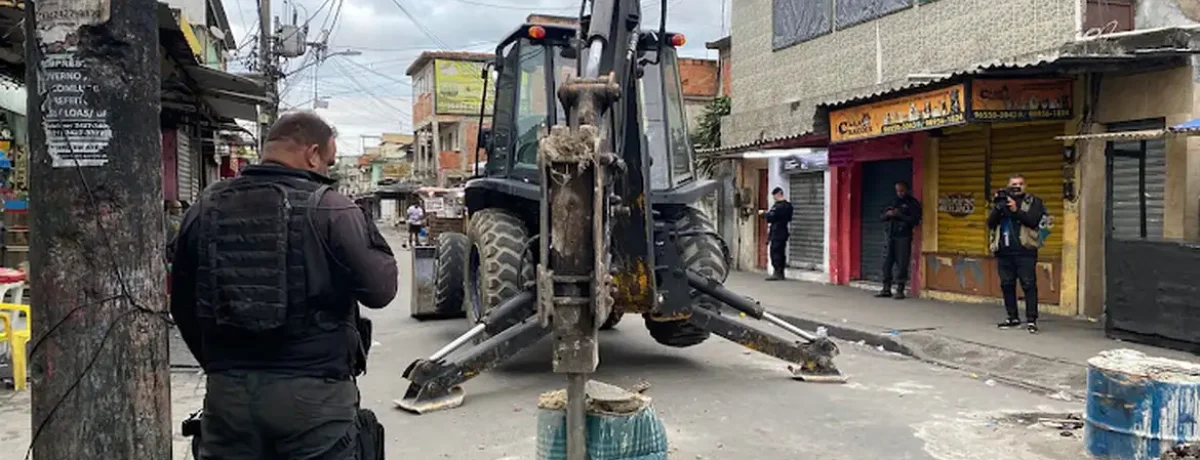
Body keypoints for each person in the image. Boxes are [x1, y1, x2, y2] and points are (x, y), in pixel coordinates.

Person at [169, 111, 398, 460]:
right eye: (330, 162)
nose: (328, 171)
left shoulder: (203, 209)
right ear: (313, 154)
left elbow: (182, 306)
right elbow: (380, 291)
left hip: (229, 397)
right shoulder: (332, 209)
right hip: (314, 403)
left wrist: (224, 366)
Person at [986, 173, 1048, 334]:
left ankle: (1031, 320)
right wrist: (998, 207)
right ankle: (1012, 317)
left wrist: (1015, 210)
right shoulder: (1002, 201)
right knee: (1007, 284)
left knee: (1028, 285)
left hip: (1025, 251)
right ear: (1008, 185)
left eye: (1020, 184)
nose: (1016, 186)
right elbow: (990, 223)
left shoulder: (1034, 202)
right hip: (1004, 251)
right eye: (1013, 184)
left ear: (1025, 186)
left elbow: (1033, 220)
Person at [875, 181, 922, 300]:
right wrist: (888, 214)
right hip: (890, 235)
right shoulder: (892, 201)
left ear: (907, 190)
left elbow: (915, 220)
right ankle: (886, 288)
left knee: (902, 264)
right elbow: (881, 217)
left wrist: (900, 214)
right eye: (898, 191)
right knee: (886, 263)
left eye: (902, 191)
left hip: (903, 237)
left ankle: (900, 289)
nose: (900, 193)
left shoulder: (912, 203)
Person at [759, 187, 793, 281]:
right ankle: (780, 272)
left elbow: (771, 217)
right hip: (783, 231)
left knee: (775, 252)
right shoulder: (788, 205)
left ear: (778, 194)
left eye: (774, 196)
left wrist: (763, 214)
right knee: (781, 252)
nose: (774, 198)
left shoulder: (779, 206)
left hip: (777, 231)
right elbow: (789, 218)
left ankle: (777, 272)